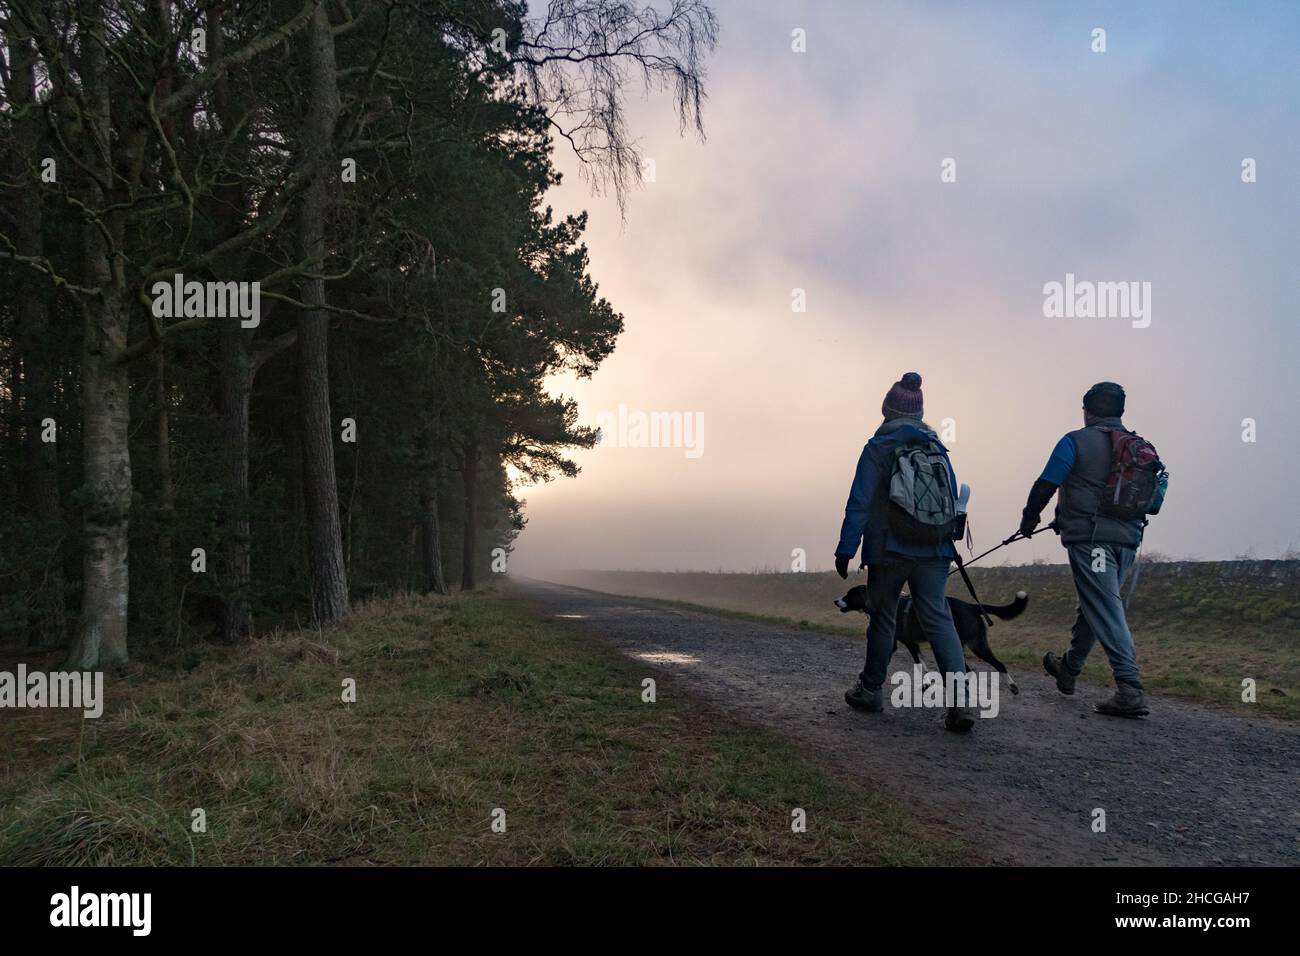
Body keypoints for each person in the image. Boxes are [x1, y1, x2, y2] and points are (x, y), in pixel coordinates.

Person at [834, 372, 975, 732]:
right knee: (939, 619)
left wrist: (846, 548)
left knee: (883, 617)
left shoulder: (877, 448)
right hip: (936, 548)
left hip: (891, 549)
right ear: (918, 413)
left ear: (886, 410)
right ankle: (960, 704)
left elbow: (860, 502)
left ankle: (870, 690)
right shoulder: (936, 446)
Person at [1019, 382, 1154, 718]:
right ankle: (1070, 668)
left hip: (1091, 541)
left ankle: (1129, 687)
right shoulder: (1139, 446)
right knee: (1097, 602)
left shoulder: (1074, 441)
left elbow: (1046, 484)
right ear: (1119, 411)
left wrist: (1029, 519)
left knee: (1106, 607)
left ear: (1087, 410)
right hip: (1128, 539)